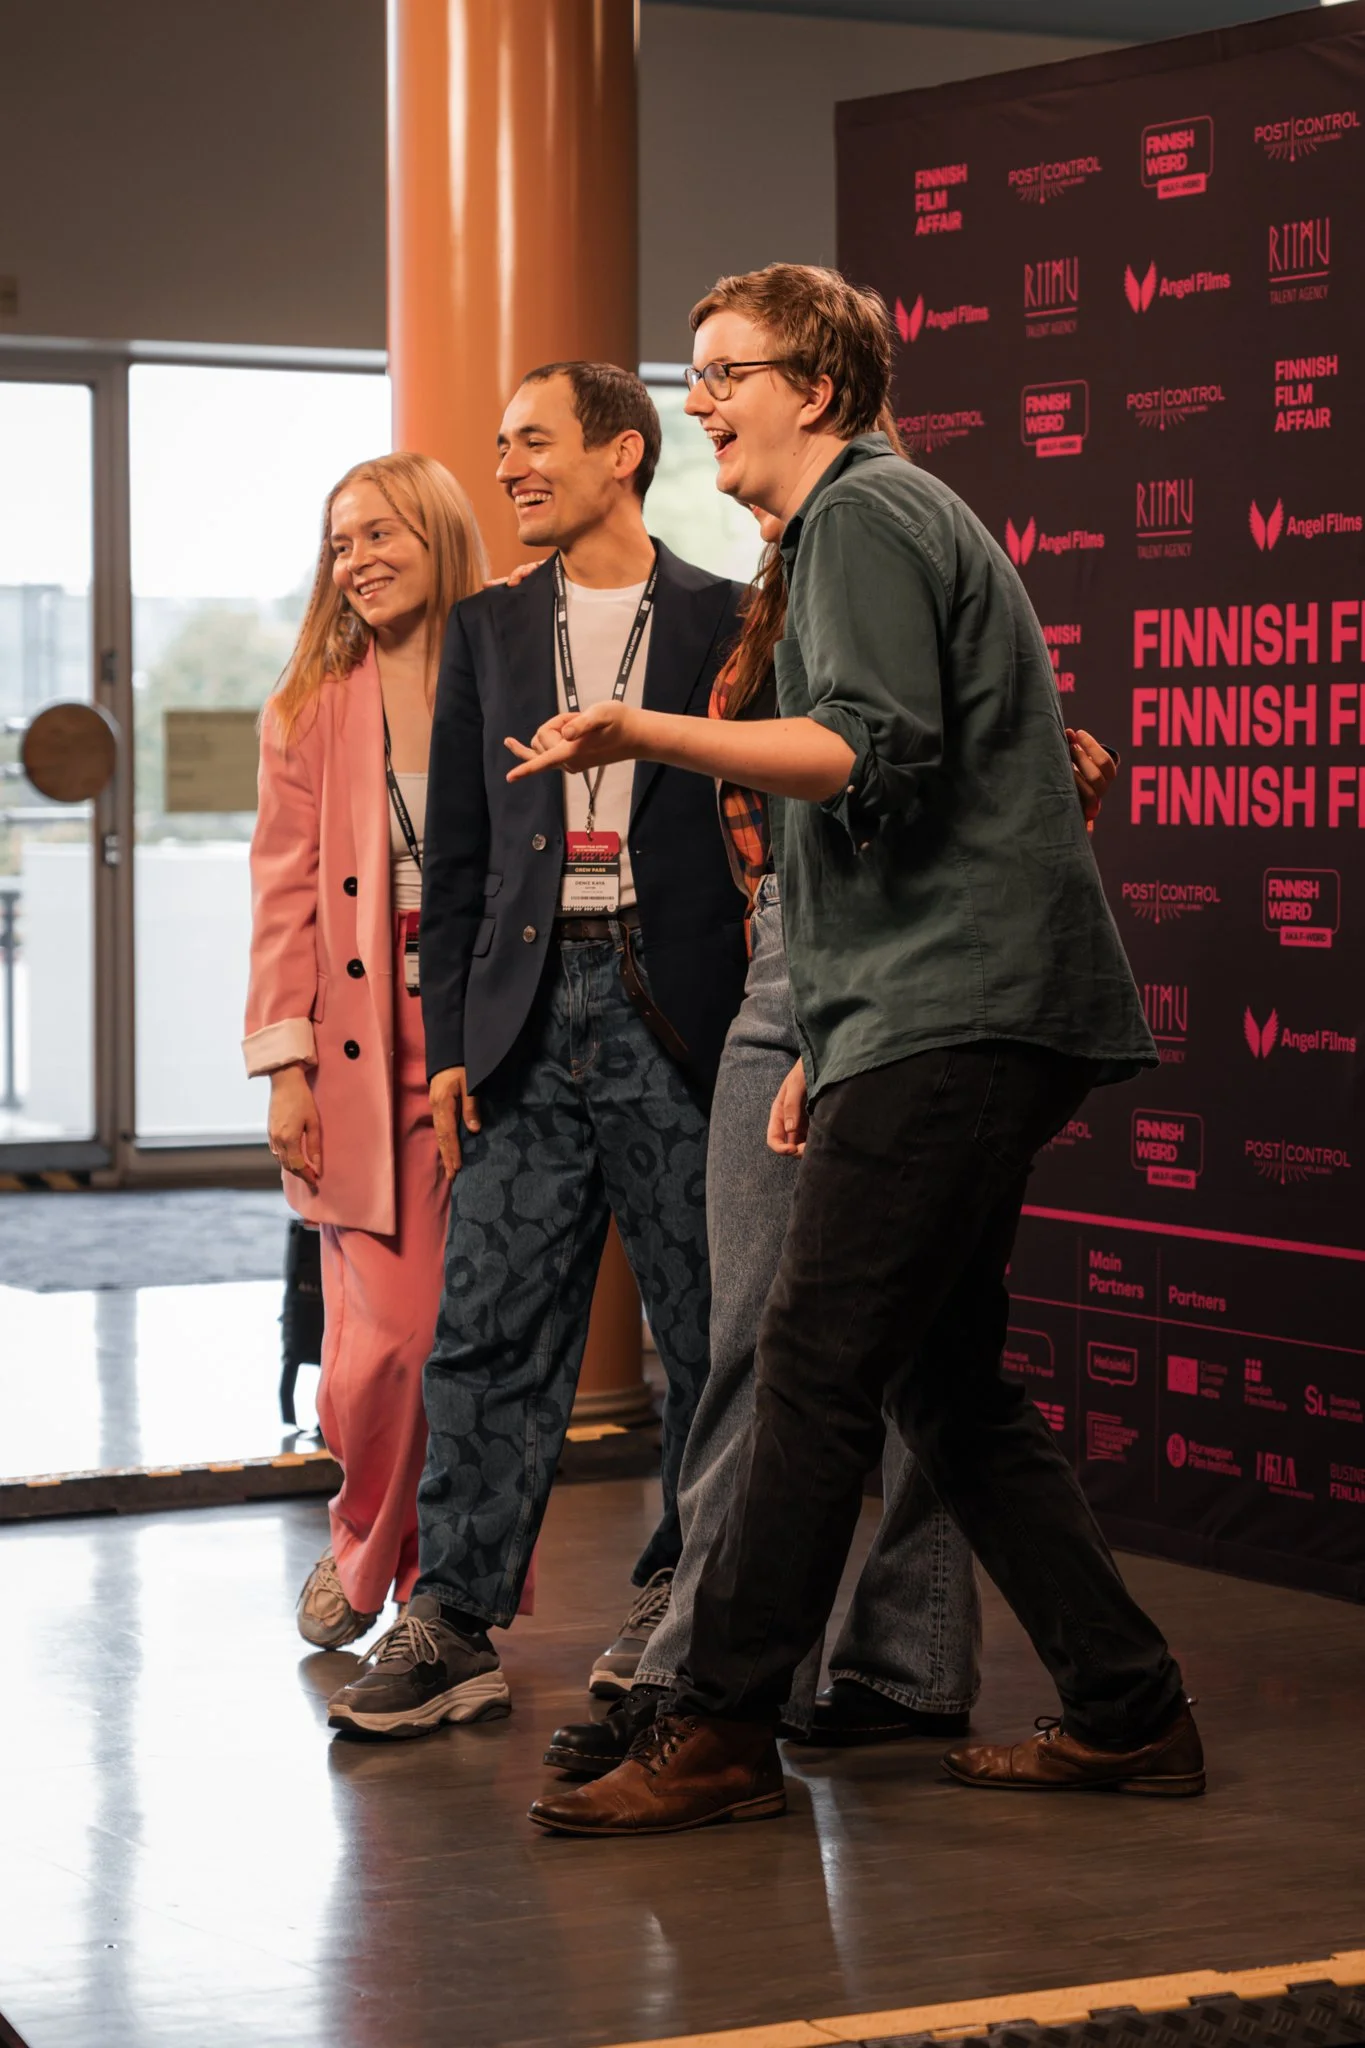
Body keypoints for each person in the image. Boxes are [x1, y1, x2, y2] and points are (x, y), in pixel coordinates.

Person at [510, 265, 1202, 1836]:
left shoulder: (866, 520)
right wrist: (831, 1035)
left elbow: (861, 754)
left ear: (816, 388)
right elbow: (875, 838)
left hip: (962, 1013)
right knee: (940, 1386)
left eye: (724, 373)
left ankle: (723, 1730)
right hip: (927, 1014)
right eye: (691, 375)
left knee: (816, 1368)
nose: (696, 403)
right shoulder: (853, 526)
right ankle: (1127, 1706)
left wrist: (640, 733)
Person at [325, 363, 750, 1738]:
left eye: (532, 442)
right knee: (487, 1330)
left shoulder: (728, 620)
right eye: (497, 444)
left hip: (677, 1012)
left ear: (621, 454)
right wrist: (450, 1040)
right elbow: (456, 858)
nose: (505, 467)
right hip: (518, 1021)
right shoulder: (494, 627)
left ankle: (675, 1604)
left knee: (703, 1335)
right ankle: (449, 1623)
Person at [244, 452, 497, 1651]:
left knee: (476, 1341)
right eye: (342, 543)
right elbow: (283, 899)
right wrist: (285, 1065)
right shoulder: (306, 707)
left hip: (487, 1049)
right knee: (377, 1351)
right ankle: (365, 1539)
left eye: (383, 534)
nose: (359, 561)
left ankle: (438, 1594)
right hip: (356, 1057)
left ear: (438, 536)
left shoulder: (506, 676)